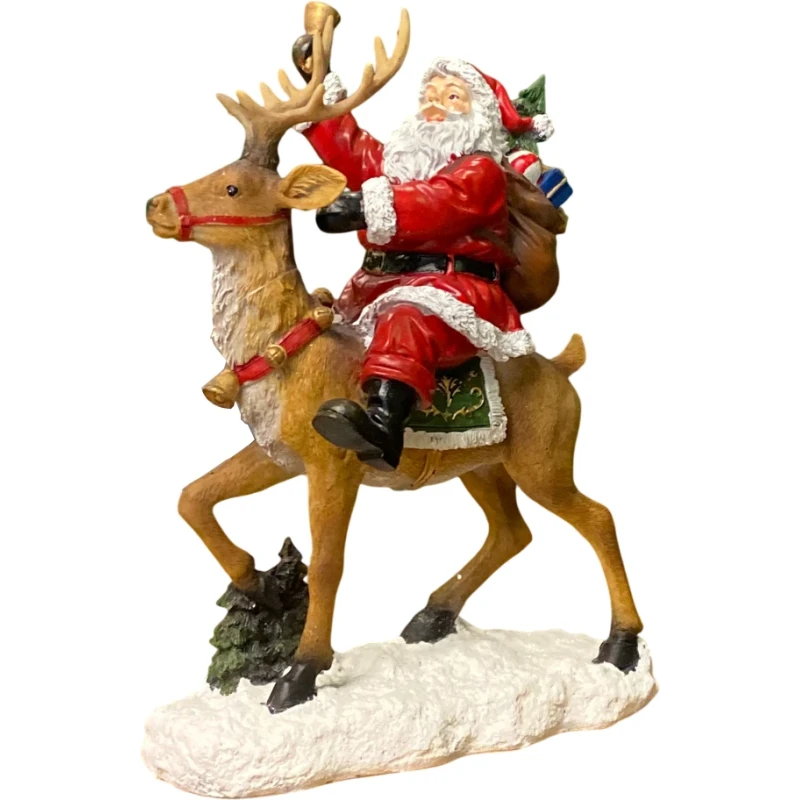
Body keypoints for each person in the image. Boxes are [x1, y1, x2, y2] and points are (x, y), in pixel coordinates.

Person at [299, 57, 555, 471]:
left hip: (454, 290)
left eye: (452, 96)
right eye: (430, 96)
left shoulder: (481, 171)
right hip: (380, 284)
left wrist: (363, 207)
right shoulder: (406, 161)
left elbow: (441, 203)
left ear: (479, 115)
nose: (435, 103)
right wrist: (320, 89)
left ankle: (384, 427)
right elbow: (358, 155)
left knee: (407, 320)